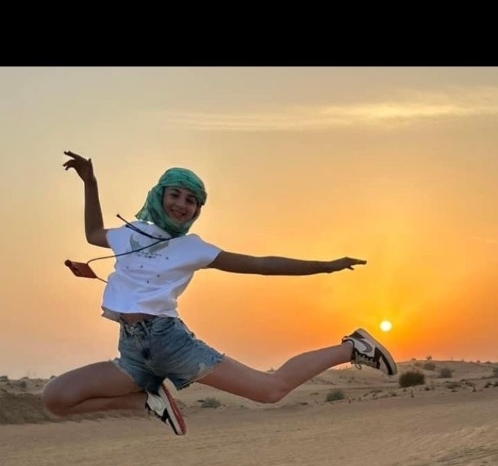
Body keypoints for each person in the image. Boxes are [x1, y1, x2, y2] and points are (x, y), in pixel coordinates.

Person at [42, 150, 397, 435]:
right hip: (132, 351)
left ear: (197, 211)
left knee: (270, 390)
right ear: (159, 195)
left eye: (192, 200)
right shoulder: (128, 234)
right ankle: (146, 402)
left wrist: (325, 266)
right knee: (56, 399)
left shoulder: (193, 247)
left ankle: (354, 347)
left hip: (171, 343)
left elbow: (259, 264)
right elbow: (93, 233)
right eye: (175, 194)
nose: (182, 204)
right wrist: (90, 182)